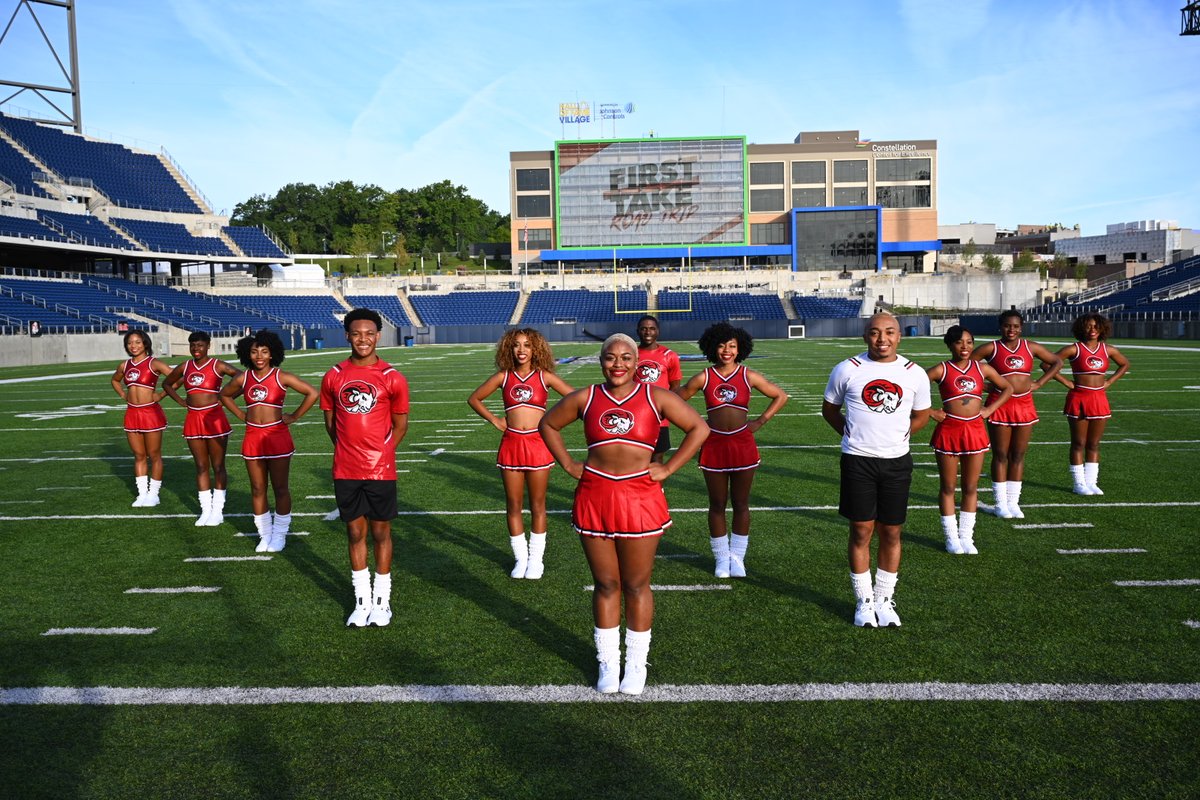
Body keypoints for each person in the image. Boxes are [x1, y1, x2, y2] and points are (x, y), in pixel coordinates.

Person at [540, 333, 708, 695]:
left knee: (635, 584)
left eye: (626, 358)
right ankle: (608, 662)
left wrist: (668, 468)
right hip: (595, 494)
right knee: (605, 584)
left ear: (637, 362)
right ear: (601, 361)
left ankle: (635, 663)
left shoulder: (656, 396)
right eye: (611, 358)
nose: (618, 364)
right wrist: (568, 463)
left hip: (640, 498)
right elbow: (548, 424)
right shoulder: (587, 396)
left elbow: (699, 428)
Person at [822, 313, 931, 628]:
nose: (882, 339)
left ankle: (884, 600)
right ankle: (864, 602)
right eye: (874, 332)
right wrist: (850, 434)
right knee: (860, 530)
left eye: (889, 332)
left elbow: (922, 414)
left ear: (899, 336)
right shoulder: (847, 369)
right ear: (865, 336)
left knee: (892, 531)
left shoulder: (914, 373)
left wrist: (900, 437)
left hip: (897, 461)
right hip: (858, 460)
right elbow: (830, 409)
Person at [676, 322, 789, 578]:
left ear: (740, 349)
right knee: (717, 504)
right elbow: (674, 400)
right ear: (712, 347)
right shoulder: (704, 376)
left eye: (732, 346)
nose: (726, 350)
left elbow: (780, 396)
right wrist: (694, 425)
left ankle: (737, 557)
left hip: (742, 444)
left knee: (741, 503)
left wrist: (760, 421)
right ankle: (721, 558)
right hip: (714, 444)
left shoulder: (748, 375)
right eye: (721, 345)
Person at [321, 309, 410, 627]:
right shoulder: (333, 374)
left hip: (380, 470)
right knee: (354, 532)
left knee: (380, 532)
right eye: (357, 333)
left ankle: (382, 601)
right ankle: (361, 600)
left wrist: (381, 453)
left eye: (369, 333)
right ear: (347, 335)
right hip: (345, 469)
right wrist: (348, 450)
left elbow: (400, 425)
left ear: (378, 336)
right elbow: (331, 421)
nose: (363, 339)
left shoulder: (391, 377)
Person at [467, 328, 573, 579]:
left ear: (536, 349)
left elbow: (575, 399)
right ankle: (520, 558)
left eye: (527, 345)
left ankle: (536, 560)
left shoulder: (544, 377)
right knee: (513, 505)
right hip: (511, 444)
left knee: (538, 504)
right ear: (509, 349)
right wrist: (495, 420)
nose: (522, 350)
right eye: (516, 345)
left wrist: (552, 422)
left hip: (537, 444)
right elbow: (474, 399)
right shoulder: (504, 376)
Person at [220, 330, 318, 553]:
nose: (259, 356)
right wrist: (241, 415)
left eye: (264, 351)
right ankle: (264, 534)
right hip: (253, 436)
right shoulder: (243, 378)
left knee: (280, 488)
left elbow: (312, 393)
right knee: (257, 488)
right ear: (247, 354)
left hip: (277, 436)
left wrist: (293, 416)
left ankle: (279, 534)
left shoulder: (281, 376)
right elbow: (224, 395)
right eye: (254, 352)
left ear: (272, 353)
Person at [928, 326, 1012, 555]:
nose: (964, 347)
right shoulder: (941, 369)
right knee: (948, 487)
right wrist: (930, 412)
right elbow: (910, 388)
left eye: (969, 342)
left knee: (971, 487)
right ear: (949, 345)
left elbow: (1007, 387)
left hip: (975, 430)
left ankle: (966, 536)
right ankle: (951, 537)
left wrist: (989, 409)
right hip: (949, 431)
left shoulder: (983, 368)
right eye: (958, 342)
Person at [971, 310, 1063, 518]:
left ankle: (1014, 502)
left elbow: (1057, 362)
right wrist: (986, 387)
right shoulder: (991, 348)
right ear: (1000, 327)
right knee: (1001, 454)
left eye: (1015, 326)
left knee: (1018, 454)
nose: (1011, 330)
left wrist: (1039, 382)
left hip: (1024, 405)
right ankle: (1000, 503)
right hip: (1000, 404)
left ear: (1021, 327)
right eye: (1006, 326)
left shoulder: (1030, 347)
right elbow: (967, 367)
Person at [164, 331, 241, 526]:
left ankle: (218, 510)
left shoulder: (218, 365)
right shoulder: (185, 366)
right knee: (200, 466)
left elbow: (242, 379)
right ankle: (205, 510)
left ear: (208, 346)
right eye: (193, 345)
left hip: (214, 418)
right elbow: (166, 383)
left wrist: (226, 400)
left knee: (218, 466)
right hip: (193, 419)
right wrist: (181, 400)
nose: (196, 349)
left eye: (200, 345)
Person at [1053, 313, 1131, 495]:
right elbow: (1048, 365)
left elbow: (1124, 364)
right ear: (1081, 328)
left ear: (1102, 329)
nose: (1093, 330)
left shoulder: (1108, 350)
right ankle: (1078, 483)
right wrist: (1067, 383)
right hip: (1079, 397)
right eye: (1088, 326)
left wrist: (1109, 382)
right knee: (1079, 442)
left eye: (1096, 326)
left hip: (1099, 398)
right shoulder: (1074, 349)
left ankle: (1092, 482)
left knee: (1094, 443)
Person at [110, 330, 180, 507]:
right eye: (130, 343)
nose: (133, 346)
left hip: (150, 413)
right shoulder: (124, 365)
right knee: (139, 455)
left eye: (137, 342)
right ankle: (142, 494)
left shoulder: (153, 363)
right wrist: (123, 395)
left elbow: (177, 379)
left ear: (145, 344)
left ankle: (153, 494)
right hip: (132, 413)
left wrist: (161, 394)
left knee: (154, 455)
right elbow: (115, 381)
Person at [634, 315, 682, 464]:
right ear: (638, 331)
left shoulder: (670, 356)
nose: (648, 332)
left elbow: (675, 386)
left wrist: (665, 408)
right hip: (636, 413)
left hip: (659, 416)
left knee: (657, 457)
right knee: (635, 456)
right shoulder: (630, 354)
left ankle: (657, 488)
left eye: (652, 329)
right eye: (644, 329)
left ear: (658, 332)